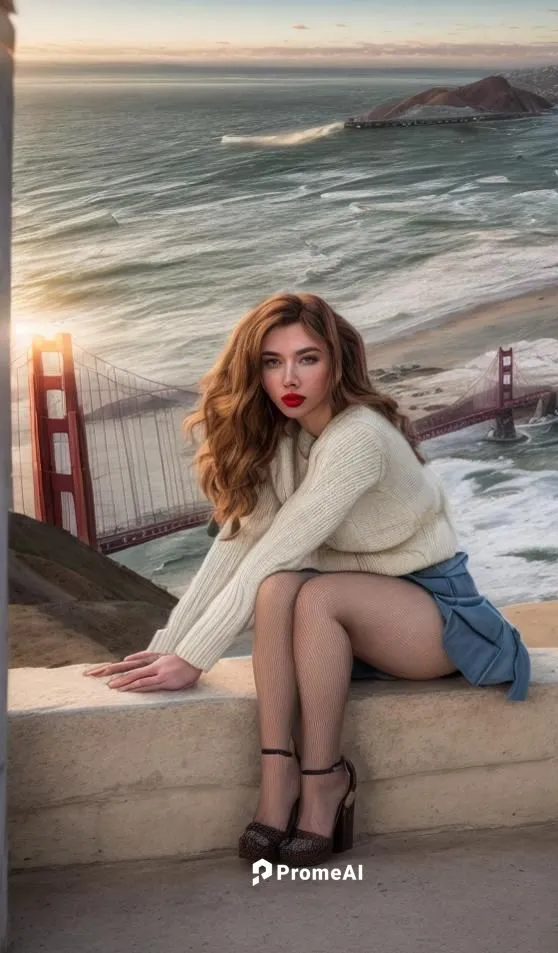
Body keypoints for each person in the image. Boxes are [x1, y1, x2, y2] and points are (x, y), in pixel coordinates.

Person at [85, 292, 530, 868]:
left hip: (439, 617)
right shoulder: (289, 438)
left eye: (307, 358)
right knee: (278, 588)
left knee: (306, 589)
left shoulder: (357, 439)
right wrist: (167, 647)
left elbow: (279, 550)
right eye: (272, 362)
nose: (288, 377)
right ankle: (278, 777)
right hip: (368, 614)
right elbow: (238, 547)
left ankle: (324, 782)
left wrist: (197, 658)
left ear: (336, 362)